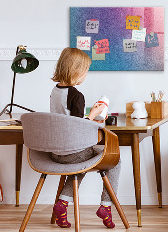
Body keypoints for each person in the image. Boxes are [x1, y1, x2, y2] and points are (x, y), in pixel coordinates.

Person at [50, 47, 120, 229]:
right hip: (73, 152)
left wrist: (89, 116)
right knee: (115, 160)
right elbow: (77, 127)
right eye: (86, 71)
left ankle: (62, 204)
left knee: (81, 163)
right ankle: (106, 206)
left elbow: (67, 120)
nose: (86, 75)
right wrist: (94, 115)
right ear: (76, 71)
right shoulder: (76, 95)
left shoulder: (55, 91)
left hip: (56, 152)